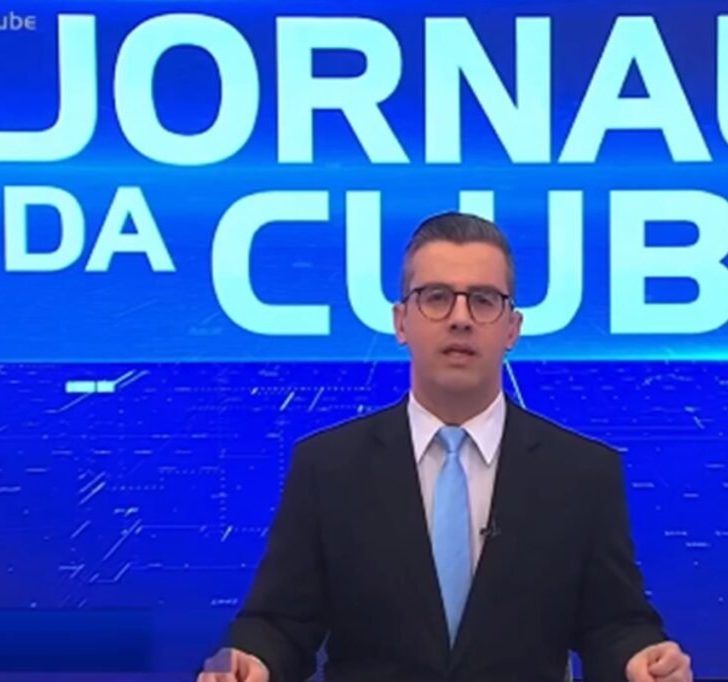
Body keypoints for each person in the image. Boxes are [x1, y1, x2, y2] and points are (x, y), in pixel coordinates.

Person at [198, 212, 693, 682]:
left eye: (483, 300)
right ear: (401, 322)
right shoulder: (327, 467)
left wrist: (638, 659)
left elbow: (613, 623)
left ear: (512, 328)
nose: (460, 318)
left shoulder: (582, 473)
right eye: (436, 297)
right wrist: (251, 661)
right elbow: (281, 623)